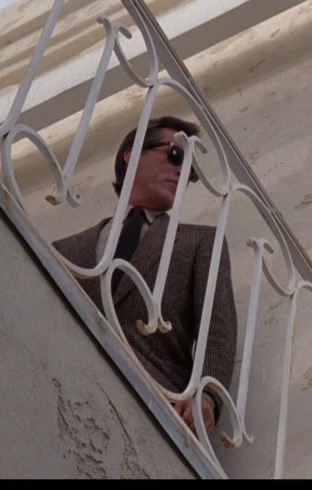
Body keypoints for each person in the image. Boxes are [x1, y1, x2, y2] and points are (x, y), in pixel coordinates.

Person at [53, 115, 236, 435]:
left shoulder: (201, 242)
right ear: (133, 153)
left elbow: (217, 332)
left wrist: (207, 397)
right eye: (176, 155)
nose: (182, 172)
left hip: (155, 407)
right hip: (63, 390)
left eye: (190, 171)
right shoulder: (63, 251)